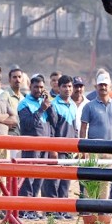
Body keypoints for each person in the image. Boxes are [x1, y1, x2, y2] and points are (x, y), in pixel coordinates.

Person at [79, 71, 112, 203]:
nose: (103, 87)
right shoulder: (89, 106)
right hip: (93, 150)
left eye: (105, 85)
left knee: (106, 181)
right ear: (96, 87)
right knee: (91, 179)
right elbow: (83, 128)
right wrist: (83, 149)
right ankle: (88, 206)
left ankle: (103, 208)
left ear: (110, 87)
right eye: (100, 85)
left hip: (111, 150)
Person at [17, 74, 59, 218]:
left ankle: (33, 209)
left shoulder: (45, 102)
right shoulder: (24, 103)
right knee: (28, 178)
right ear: (30, 87)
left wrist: (49, 106)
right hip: (31, 145)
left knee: (39, 178)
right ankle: (25, 210)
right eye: (36, 87)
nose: (39, 90)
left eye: (41, 87)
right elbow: (28, 124)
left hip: (44, 145)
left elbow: (54, 122)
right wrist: (41, 109)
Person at [43, 75, 78, 212]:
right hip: (58, 148)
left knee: (66, 181)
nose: (67, 89)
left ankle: (63, 209)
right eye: (64, 86)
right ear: (59, 87)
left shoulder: (73, 105)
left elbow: (75, 128)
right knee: (54, 180)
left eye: (70, 86)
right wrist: (52, 149)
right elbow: (51, 128)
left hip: (69, 149)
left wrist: (76, 147)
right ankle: (52, 210)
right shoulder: (54, 105)